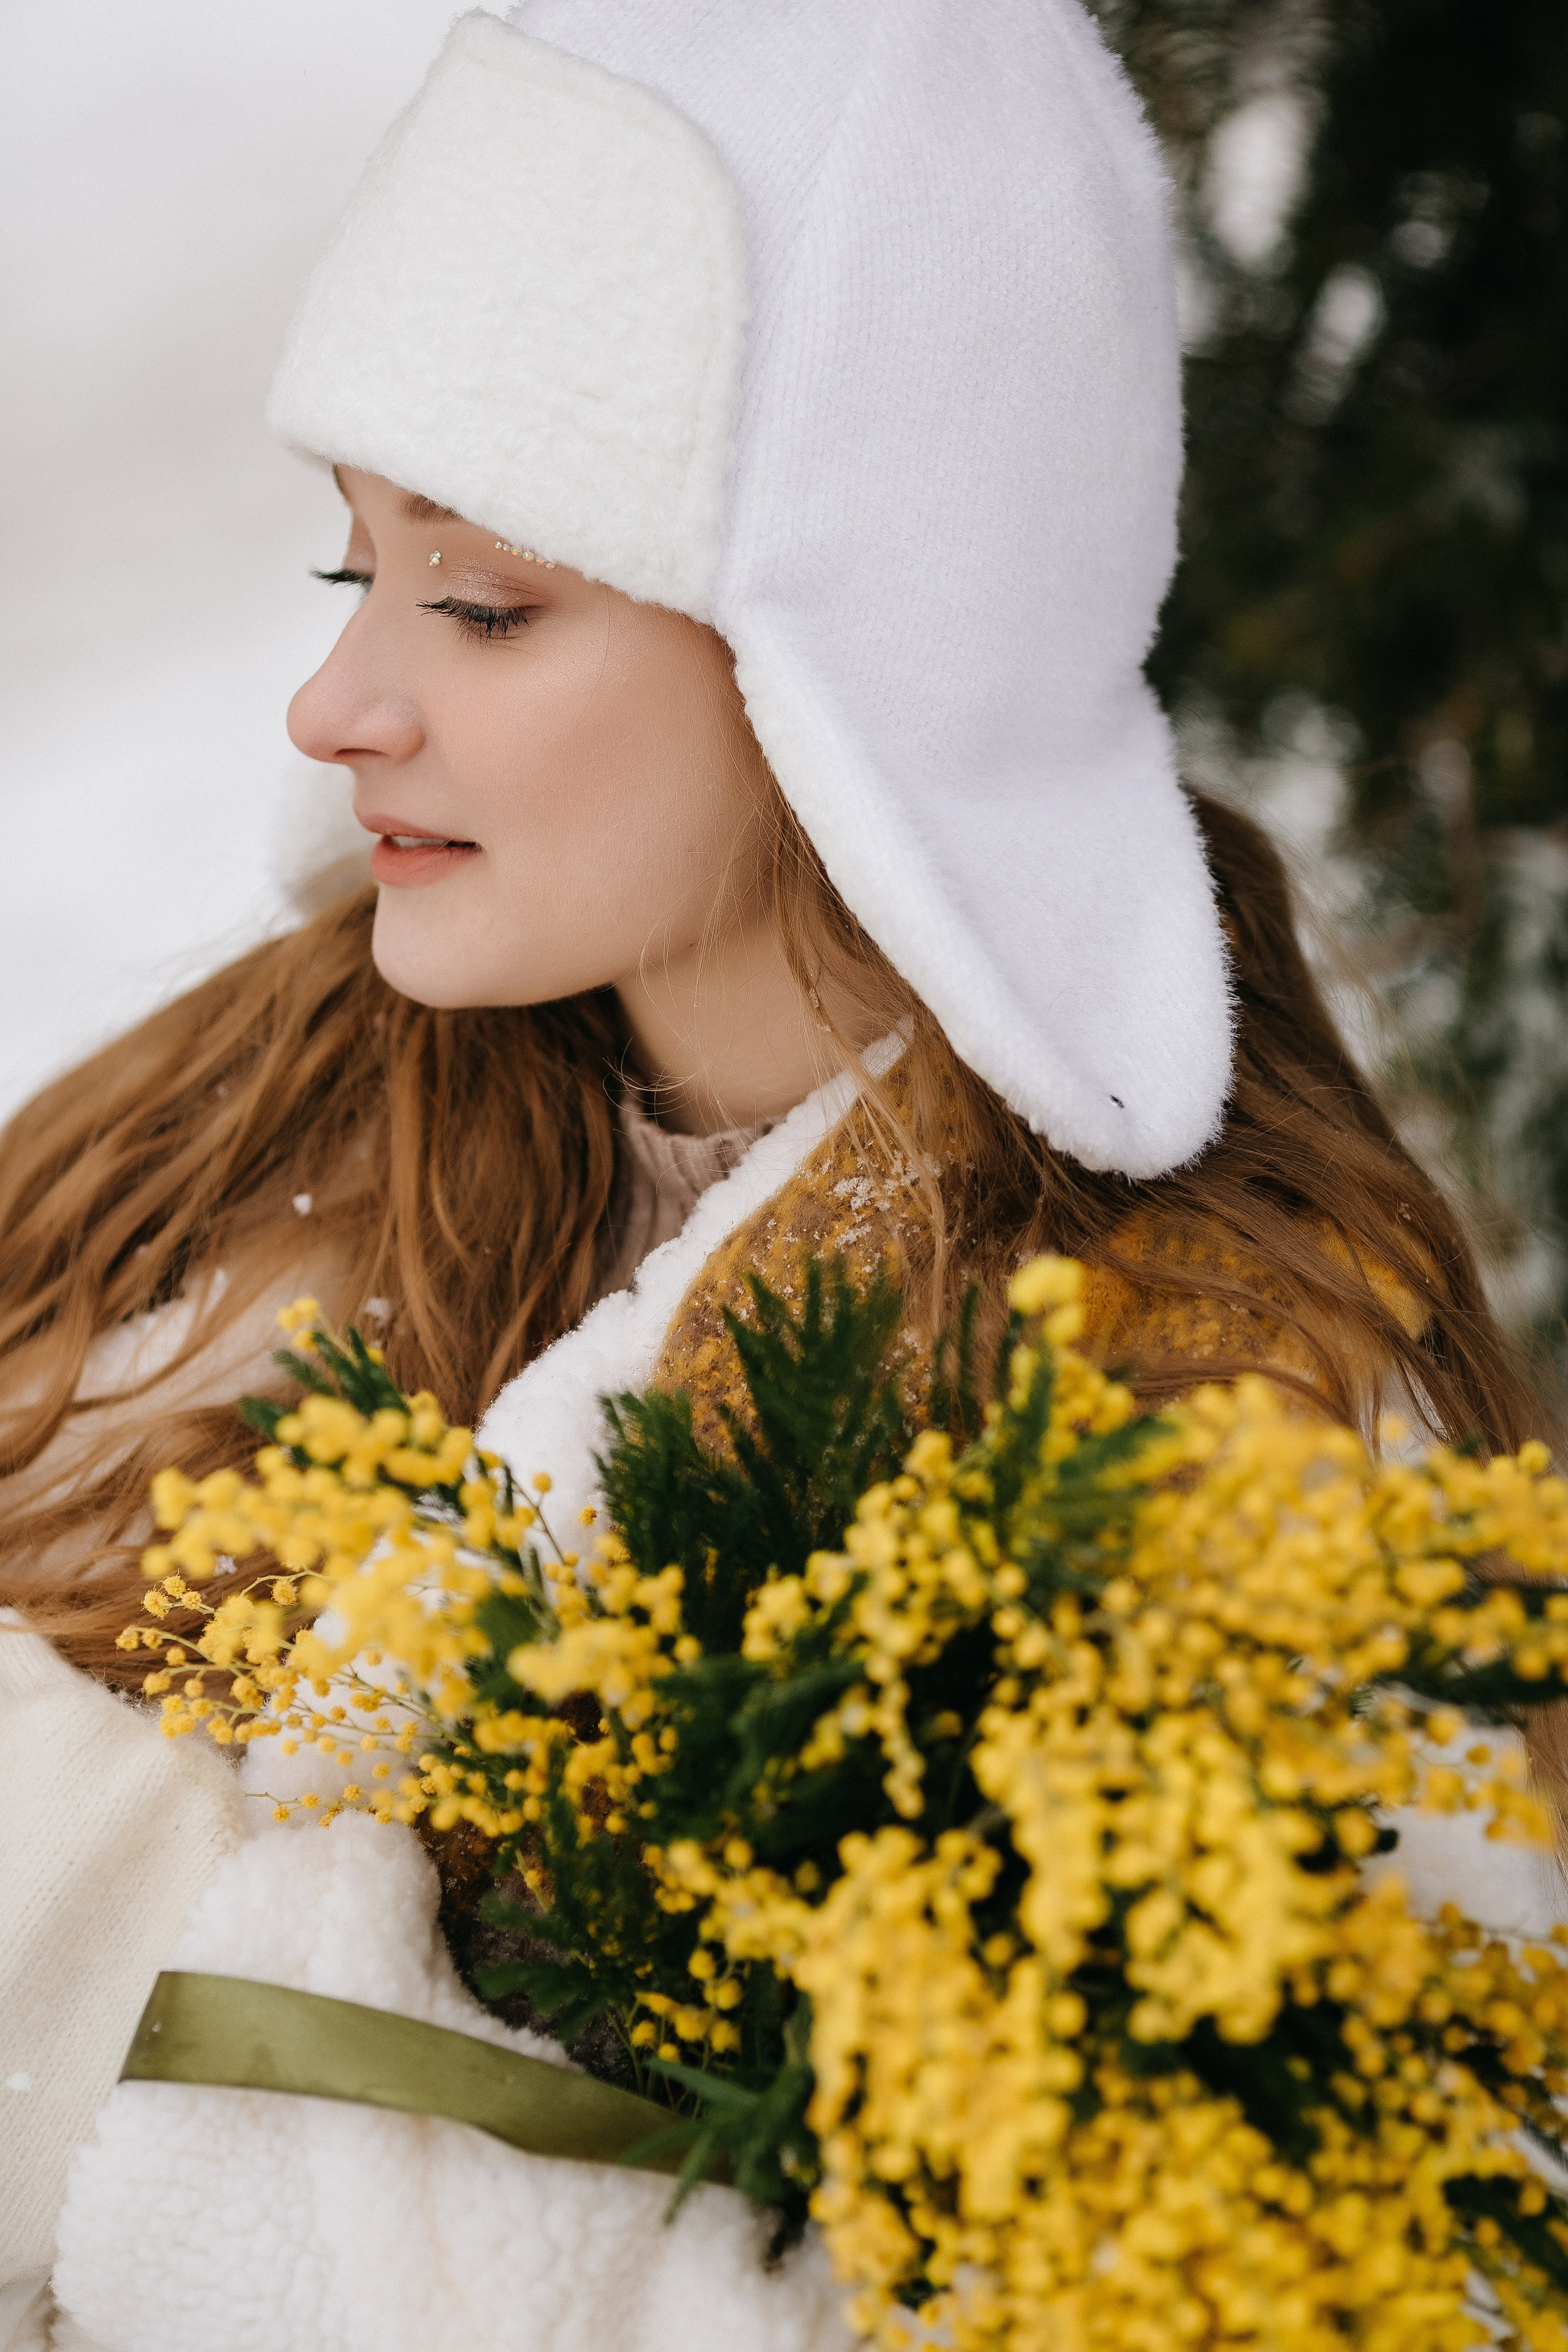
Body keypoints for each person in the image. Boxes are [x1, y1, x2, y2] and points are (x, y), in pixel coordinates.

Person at [0, 1, 1544, 2343]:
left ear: (857, 657)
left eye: (487, 598)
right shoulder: (238, 1129)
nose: (338, 707)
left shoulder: (1214, 1416)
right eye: (356, 578)